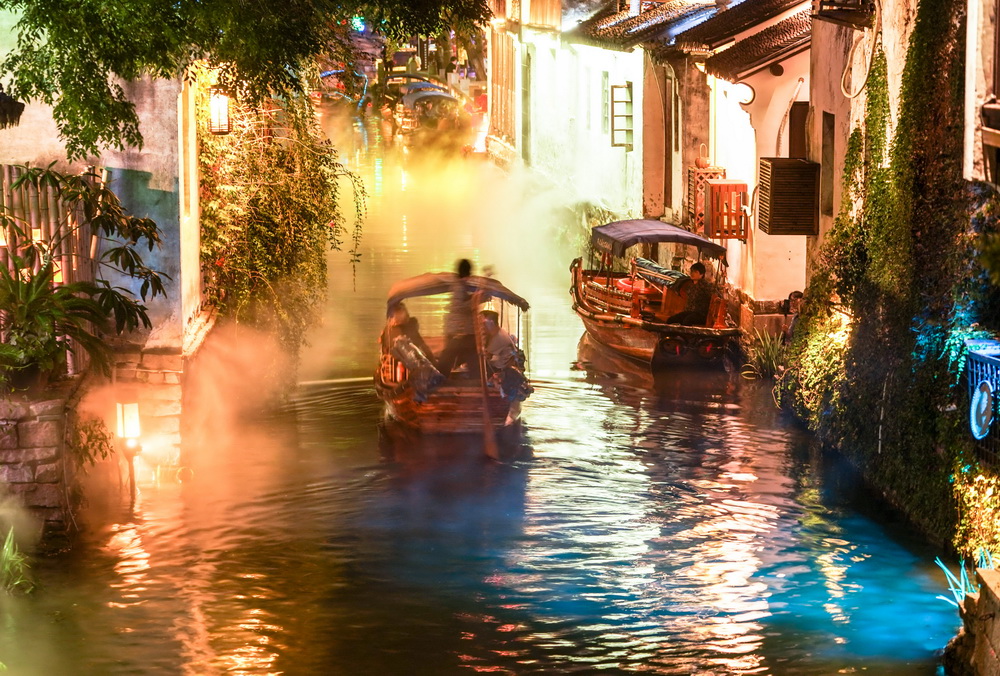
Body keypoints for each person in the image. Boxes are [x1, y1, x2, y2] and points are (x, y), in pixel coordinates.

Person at [437, 259, 480, 377]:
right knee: (452, 357)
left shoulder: (460, 285)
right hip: (459, 331)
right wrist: (476, 299)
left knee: (462, 356)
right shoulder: (459, 287)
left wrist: (474, 297)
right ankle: (439, 378)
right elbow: (460, 307)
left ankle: (475, 379)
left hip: (460, 331)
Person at [668, 261, 715, 326]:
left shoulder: (705, 285)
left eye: (695, 272)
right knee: (671, 320)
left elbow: (715, 295)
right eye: (691, 271)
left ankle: (687, 333)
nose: (692, 273)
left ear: (701, 274)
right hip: (689, 312)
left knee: (687, 321)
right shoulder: (690, 285)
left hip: (700, 314)